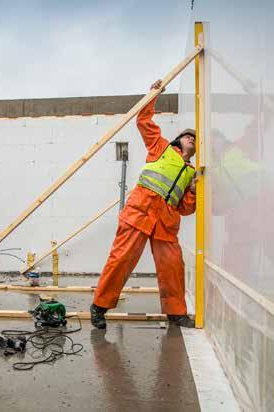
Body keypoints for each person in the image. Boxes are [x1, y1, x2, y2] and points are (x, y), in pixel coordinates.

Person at [90, 79, 198, 329]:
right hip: (140, 212)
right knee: (121, 259)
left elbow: (186, 209)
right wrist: (153, 94)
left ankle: (176, 313)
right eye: (187, 135)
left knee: (173, 266)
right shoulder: (161, 148)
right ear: (178, 141)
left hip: (167, 222)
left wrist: (193, 191)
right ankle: (99, 307)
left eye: (195, 138)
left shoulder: (192, 173)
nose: (192, 138)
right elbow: (144, 121)